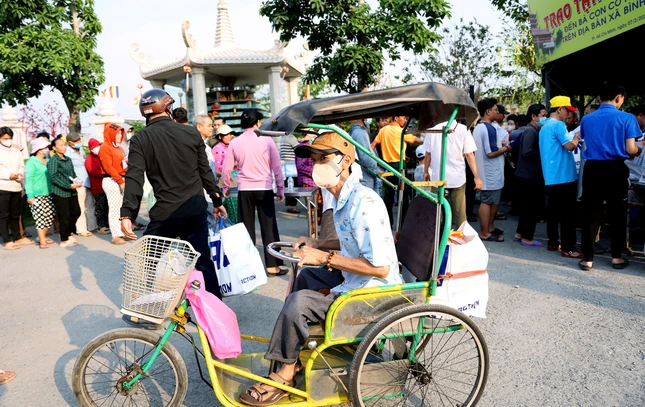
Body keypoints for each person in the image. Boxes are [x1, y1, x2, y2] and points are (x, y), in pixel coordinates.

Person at [239, 131, 401, 406]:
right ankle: (294, 352)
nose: (316, 165)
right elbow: (351, 240)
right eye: (314, 160)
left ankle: (286, 374)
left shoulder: (364, 201)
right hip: (354, 281)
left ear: (345, 161)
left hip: (372, 294)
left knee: (299, 302)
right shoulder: (342, 198)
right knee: (306, 277)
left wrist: (324, 257)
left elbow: (381, 268)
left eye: (323, 159)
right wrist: (318, 243)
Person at [121, 89, 227, 309]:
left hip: (165, 214)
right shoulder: (190, 134)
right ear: (168, 108)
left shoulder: (140, 140)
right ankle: (216, 309)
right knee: (203, 260)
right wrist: (217, 202)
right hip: (194, 209)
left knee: (149, 261)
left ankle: (150, 307)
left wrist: (127, 214)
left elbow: (134, 178)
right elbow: (205, 172)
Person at [578, 84, 642, 271]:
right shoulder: (627, 118)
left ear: (599, 99)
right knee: (617, 214)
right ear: (619, 98)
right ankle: (616, 258)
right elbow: (630, 149)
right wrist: (638, 151)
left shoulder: (587, 119)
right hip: (615, 169)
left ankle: (587, 259)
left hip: (592, 169)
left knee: (591, 214)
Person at [222, 108, 286, 276]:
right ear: (258, 122)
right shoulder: (267, 140)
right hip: (264, 188)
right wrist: (280, 188)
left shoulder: (235, 142)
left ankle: (249, 268)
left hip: (245, 189)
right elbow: (277, 167)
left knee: (246, 228)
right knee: (269, 227)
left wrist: (225, 187)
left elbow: (227, 168)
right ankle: (272, 266)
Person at [539, 96, 582, 258]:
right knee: (568, 214)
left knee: (553, 212)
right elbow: (570, 146)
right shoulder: (558, 125)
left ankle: (553, 242)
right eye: (568, 111)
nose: (569, 115)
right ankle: (568, 247)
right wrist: (577, 137)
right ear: (560, 110)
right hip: (564, 176)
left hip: (551, 176)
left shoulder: (545, 126)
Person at [422, 120, 482, 228]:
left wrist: (426, 172)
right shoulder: (463, 129)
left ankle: (439, 236)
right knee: (460, 214)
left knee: (437, 212)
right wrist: (476, 177)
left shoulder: (432, 130)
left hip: (437, 177)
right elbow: (469, 154)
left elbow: (428, 154)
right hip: (457, 178)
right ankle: (460, 234)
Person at [370, 116, 423, 226]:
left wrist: (377, 160)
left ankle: (388, 222)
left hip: (387, 166)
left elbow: (372, 146)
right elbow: (417, 140)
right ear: (396, 118)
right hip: (400, 166)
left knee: (388, 196)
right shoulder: (401, 131)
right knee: (403, 195)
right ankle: (403, 223)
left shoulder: (383, 131)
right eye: (403, 118)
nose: (405, 120)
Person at [472, 99, 507, 242]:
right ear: (488, 111)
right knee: (487, 201)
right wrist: (506, 148)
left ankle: (490, 228)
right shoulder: (488, 128)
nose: (497, 112)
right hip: (490, 172)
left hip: (487, 171)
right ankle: (485, 232)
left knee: (491, 201)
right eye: (495, 109)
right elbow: (491, 152)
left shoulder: (480, 127)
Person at [513, 104, 547, 247]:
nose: (545, 118)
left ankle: (520, 234)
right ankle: (527, 237)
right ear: (534, 116)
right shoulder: (531, 131)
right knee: (531, 208)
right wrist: (544, 152)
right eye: (543, 115)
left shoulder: (533, 130)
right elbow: (527, 152)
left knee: (526, 208)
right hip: (529, 175)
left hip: (527, 174)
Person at [0, 127, 33, 249]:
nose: (7, 140)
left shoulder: (16, 151)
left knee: (15, 214)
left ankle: (17, 237)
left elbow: (21, 166)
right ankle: (7, 240)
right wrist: (9, 175)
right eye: (5, 138)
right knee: (4, 215)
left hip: (16, 186)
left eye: (9, 138)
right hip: (2, 186)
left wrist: (19, 174)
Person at [48, 136, 82, 248]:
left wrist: (77, 181)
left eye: (64, 145)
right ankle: (64, 239)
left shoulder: (68, 159)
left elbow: (72, 173)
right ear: (54, 148)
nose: (64, 147)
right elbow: (54, 177)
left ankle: (68, 232)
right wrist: (68, 185)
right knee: (64, 215)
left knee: (76, 212)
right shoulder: (54, 161)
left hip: (72, 190)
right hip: (60, 192)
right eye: (61, 145)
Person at [98, 123, 128, 245]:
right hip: (111, 179)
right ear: (111, 134)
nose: (120, 135)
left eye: (121, 133)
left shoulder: (117, 147)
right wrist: (120, 181)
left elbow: (119, 165)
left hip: (119, 178)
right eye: (117, 133)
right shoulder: (105, 147)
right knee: (115, 208)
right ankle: (116, 235)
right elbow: (108, 167)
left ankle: (122, 232)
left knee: (121, 207)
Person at [25, 138, 56, 248]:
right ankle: (42, 240)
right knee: (40, 217)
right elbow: (28, 179)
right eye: (45, 147)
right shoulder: (31, 162)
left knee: (50, 215)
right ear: (39, 149)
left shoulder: (48, 160)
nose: (48, 149)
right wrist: (30, 195)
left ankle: (41, 236)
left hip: (48, 192)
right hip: (37, 194)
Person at [64, 133, 96, 237]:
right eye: (76, 141)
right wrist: (73, 182)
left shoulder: (81, 150)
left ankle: (92, 226)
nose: (78, 142)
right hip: (78, 183)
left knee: (90, 205)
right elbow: (67, 169)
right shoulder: (67, 153)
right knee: (81, 207)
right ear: (70, 143)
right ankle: (81, 229)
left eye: (79, 140)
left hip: (87, 180)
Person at [195, 115, 218, 230]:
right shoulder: (197, 147)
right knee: (209, 227)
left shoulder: (207, 147)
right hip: (204, 195)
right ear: (199, 127)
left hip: (209, 194)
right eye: (209, 125)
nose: (212, 128)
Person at [85, 138, 110, 235]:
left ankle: (107, 224)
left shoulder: (102, 155)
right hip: (97, 186)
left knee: (107, 206)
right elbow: (93, 171)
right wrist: (105, 173)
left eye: (98, 145)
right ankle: (101, 226)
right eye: (95, 146)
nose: (98, 148)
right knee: (100, 207)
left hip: (105, 186)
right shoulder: (89, 159)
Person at [349, 118, 380, 190]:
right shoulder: (360, 133)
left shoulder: (356, 131)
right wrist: (376, 169)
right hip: (366, 174)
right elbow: (365, 156)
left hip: (365, 172)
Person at [280, 132, 301, 213]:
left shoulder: (283, 137)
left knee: (288, 186)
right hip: (291, 165)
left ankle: (289, 205)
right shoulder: (291, 137)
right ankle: (292, 205)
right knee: (293, 185)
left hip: (285, 165)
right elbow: (299, 149)